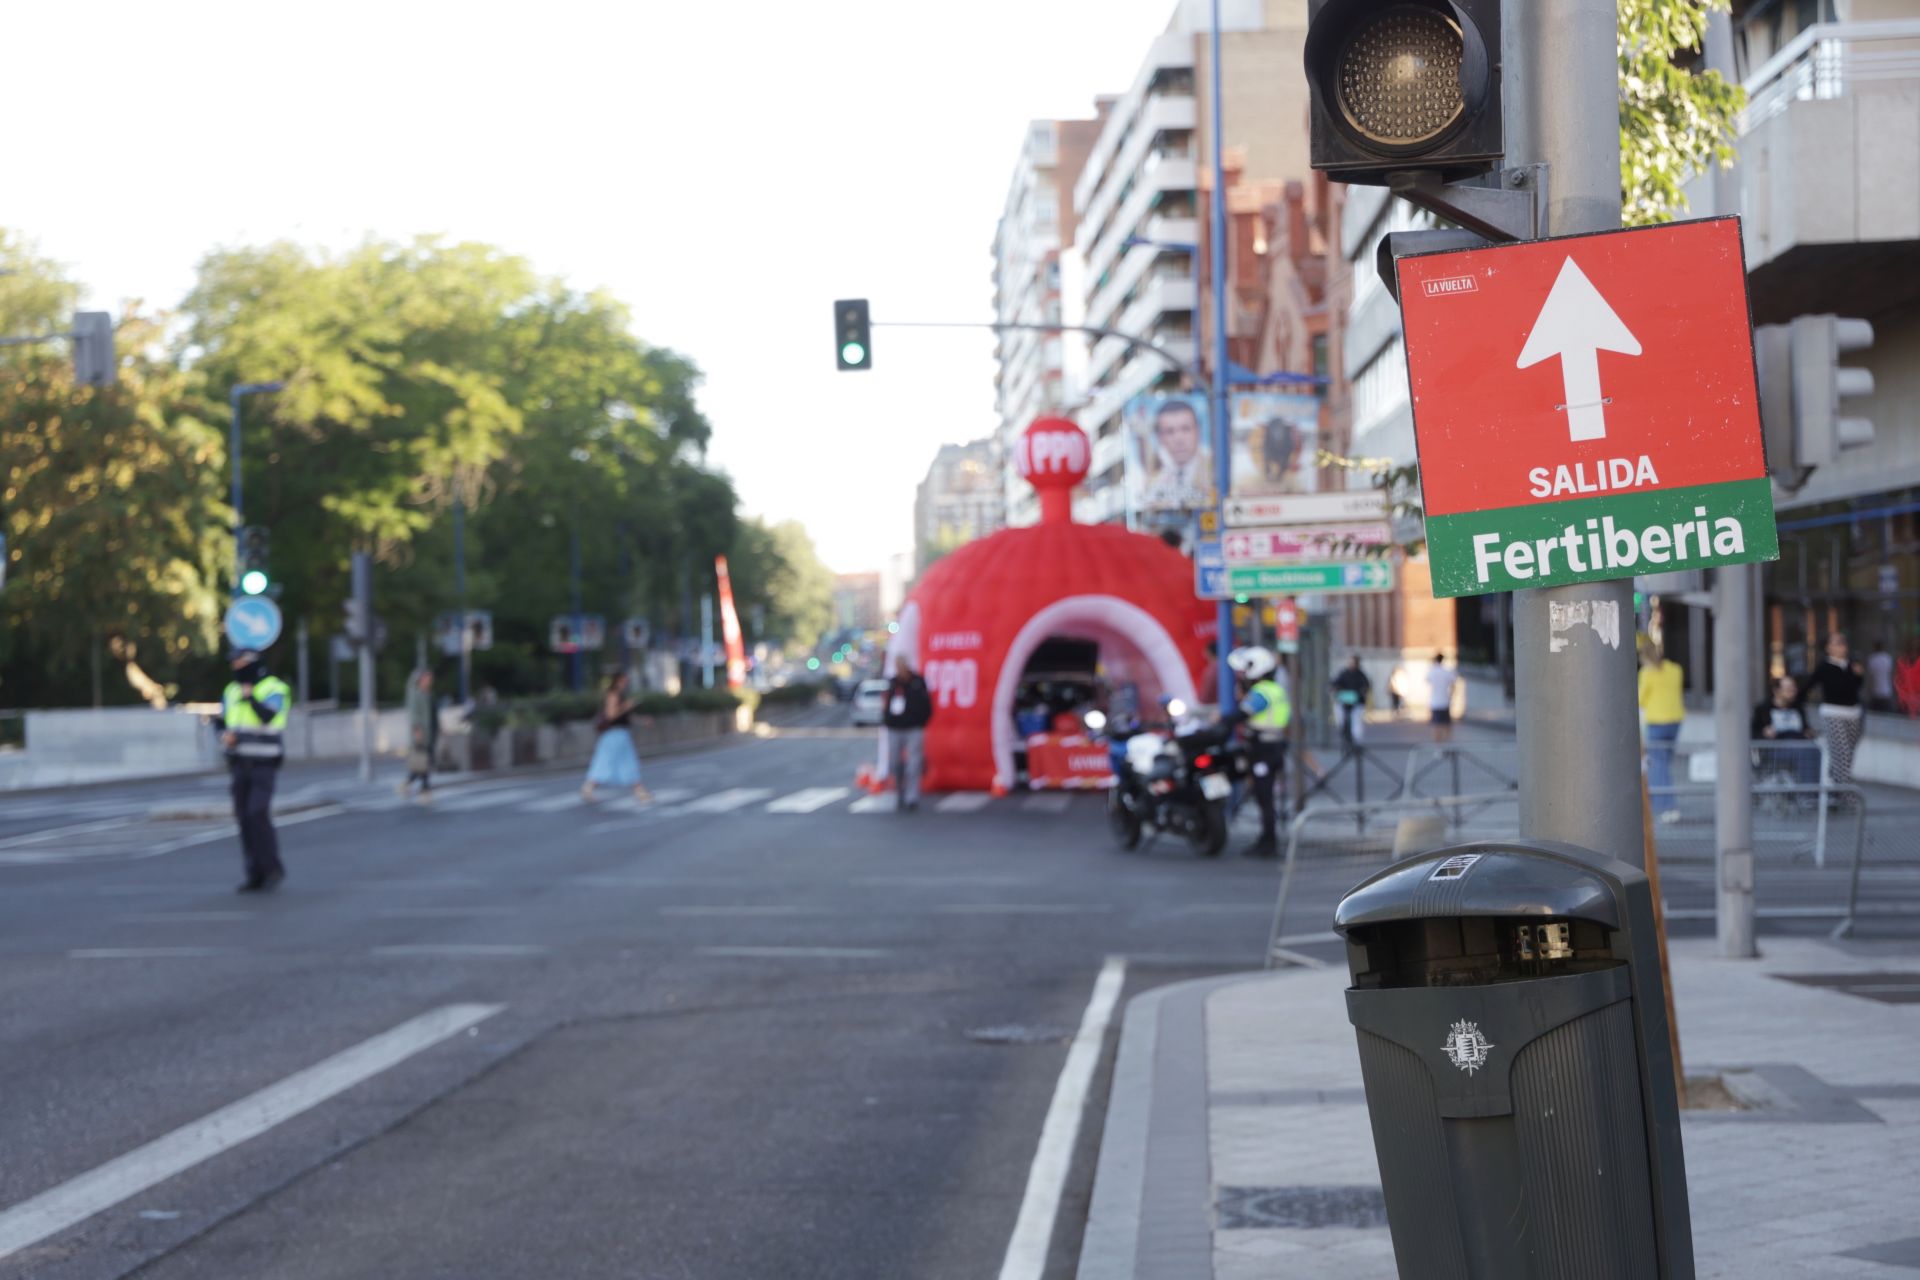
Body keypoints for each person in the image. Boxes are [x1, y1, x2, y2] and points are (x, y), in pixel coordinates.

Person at [216, 649, 291, 893]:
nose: (236, 668)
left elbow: (269, 715)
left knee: (257, 812)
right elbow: (223, 721)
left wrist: (250, 697)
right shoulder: (230, 690)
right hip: (239, 763)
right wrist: (224, 736)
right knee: (244, 818)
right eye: (233, 663)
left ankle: (272, 868)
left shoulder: (274, 688)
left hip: (264, 763)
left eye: (240, 663)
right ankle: (254, 873)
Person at [1226, 645, 1290, 858]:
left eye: (1245, 670)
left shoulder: (1261, 692)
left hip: (1264, 748)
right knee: (1264, 795)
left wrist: (1222, 721)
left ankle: (1268, 841)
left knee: (1264, 795)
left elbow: (1243, 714)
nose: (1243, 675)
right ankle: (1266, 838)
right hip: (1272, 746)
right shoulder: (1275, 688)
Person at [1798, 631, 1866, 789]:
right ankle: (1847, 795)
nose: (1842, 646)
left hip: (1853, 714)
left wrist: (1858, 675)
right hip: (1833, 713)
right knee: (1842, 754)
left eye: (1843, 642)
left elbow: (1855, 688)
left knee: (1847, 756)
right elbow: (1807, 687)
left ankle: (1834, 789)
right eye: (1837, 643)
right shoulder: (1824, 667)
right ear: (1828, 648)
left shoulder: (1851, 665)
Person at [581, 671, 651, 803]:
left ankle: (640, 792)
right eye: (624, 680)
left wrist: (642, 720)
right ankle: (640, 792)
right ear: (618, 680)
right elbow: (611, 715)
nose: (627, 682)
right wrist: (626, 706)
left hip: (621, 734)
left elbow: (626, 717)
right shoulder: (613, 695)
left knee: (625, 763)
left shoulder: (621, 695)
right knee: (609, 762)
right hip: (613, 735)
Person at [1638, 643, 1686, 824]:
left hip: (1657, 721)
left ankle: (1667, 806)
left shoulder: (1646, 673)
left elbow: (1640, 699)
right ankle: (1665, 804)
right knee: (1664, 762)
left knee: (1658, 765)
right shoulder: (1675, 670)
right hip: (1675, 720)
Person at [882, 657, 934, 811]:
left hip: (913, 728)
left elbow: (927, 703)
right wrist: (887, 720)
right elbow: (886, 704)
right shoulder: (893, 683)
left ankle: (912, 796)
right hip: (895, 728)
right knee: (895, 762)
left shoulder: (917, 682)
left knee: (914, 763)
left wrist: (921, 721)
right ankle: (899, 791)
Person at [1140, 399, 1210, 510]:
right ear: (1159, 437)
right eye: (1170, 431)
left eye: (1186, 429)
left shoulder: (1215, 469)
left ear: (1198, 431)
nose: (1179, 439)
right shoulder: (1154, 479)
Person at [1751, 674, 1817, 787]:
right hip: (1775, 749)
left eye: (1793, 688)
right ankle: (1808, 792)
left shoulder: (1798, 707)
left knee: (1813, 750)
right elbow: (1753, 734)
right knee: (1804, 752)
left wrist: (1808, 733)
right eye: (1788, 689)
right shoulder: (1763, 709)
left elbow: (1805, 728)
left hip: (1799, 745)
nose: (1793, 691)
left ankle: (1811, 790)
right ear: (1777, 691)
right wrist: (1764, 733)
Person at [399, 669, 438, 803]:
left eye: (430, 679)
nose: (430, 681)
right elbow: (414, 714)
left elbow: (433, 714)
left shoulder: (429, 694)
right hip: (421, 733)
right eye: (427, 678)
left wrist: (440, 728)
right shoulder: (415, 694)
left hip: (431, 733)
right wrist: (417, 730)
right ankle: (425, 792)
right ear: (420, 680)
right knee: (423, 763)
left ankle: (407, 784)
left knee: (423, 763)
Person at [1331, 654, 1372, 748]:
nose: (1351, 664)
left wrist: (1362, 692)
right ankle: (1344, 736)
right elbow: (1336, 683)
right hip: (1344, 701)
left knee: (1356, 723)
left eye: (1353, 662)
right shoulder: (1344, 673)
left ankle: (1357, 742)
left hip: (1357, 702)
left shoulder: (1361, 675)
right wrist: (1335, 688)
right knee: (1341, 719)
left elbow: (1365, 686)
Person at [1426, 651, 1458, 743]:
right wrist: (1451, 696)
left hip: (1435, 702)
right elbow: (1453, 684)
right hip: (1445, 701)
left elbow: (1428, 682)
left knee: (1436, 725)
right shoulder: (1447, 671)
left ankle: (1438, 745)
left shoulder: (1432, 671)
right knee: (1446, 725)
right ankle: (1445, 743)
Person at [1866, 640, 1896, 712]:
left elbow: (1870, 678)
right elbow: (1891, 674)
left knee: (1875, 714)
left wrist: (1868, 691)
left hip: (1875, 692)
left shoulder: (1872, 659)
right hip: (1887, 692)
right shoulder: (1888, 658)